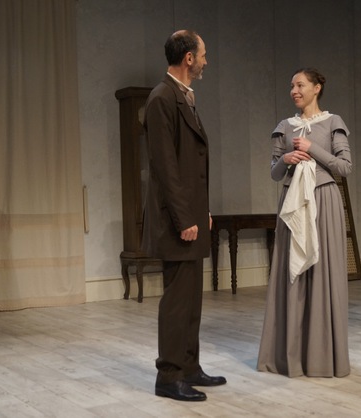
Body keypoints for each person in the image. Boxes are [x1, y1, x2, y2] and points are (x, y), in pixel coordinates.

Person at [141, 30, 226, 402]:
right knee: (177, 301)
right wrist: (183, 218)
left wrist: (201, 210)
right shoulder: (162, 98)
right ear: (188, 57)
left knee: (192, 298)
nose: (206, 61)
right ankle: (169, 375)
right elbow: (165, 167)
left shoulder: (183, 97)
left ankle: (189, 367)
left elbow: (191, 167)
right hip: (176, 220)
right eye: (203, 54)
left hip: (190, 214)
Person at [257, 68, 352, 378]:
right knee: (292, 274)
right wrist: (285, 159)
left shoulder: (333, 122)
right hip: (293, 203)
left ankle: (322, 357)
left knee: (324, 272)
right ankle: (290, 357)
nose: (294, 91)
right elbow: (274, 173)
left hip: (324, 200)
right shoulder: (285, 127)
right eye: (292, 86)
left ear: (316, 88)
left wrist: (313, 149)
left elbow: (345, 167)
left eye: (300, 85)